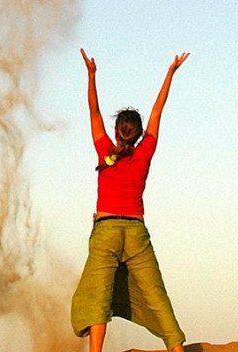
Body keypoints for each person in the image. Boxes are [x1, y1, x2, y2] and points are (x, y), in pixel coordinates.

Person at [71, 49, 189, 352]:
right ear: (137, 134)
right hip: (137, 233)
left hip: (107, 231)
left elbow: (93, 112)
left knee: (98, 296)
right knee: (156, 295)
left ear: (117, 131)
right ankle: (176, 349)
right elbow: (157, 112)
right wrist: (170, 73)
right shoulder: (145, 152)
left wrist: (92, 75)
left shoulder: (105, 152)